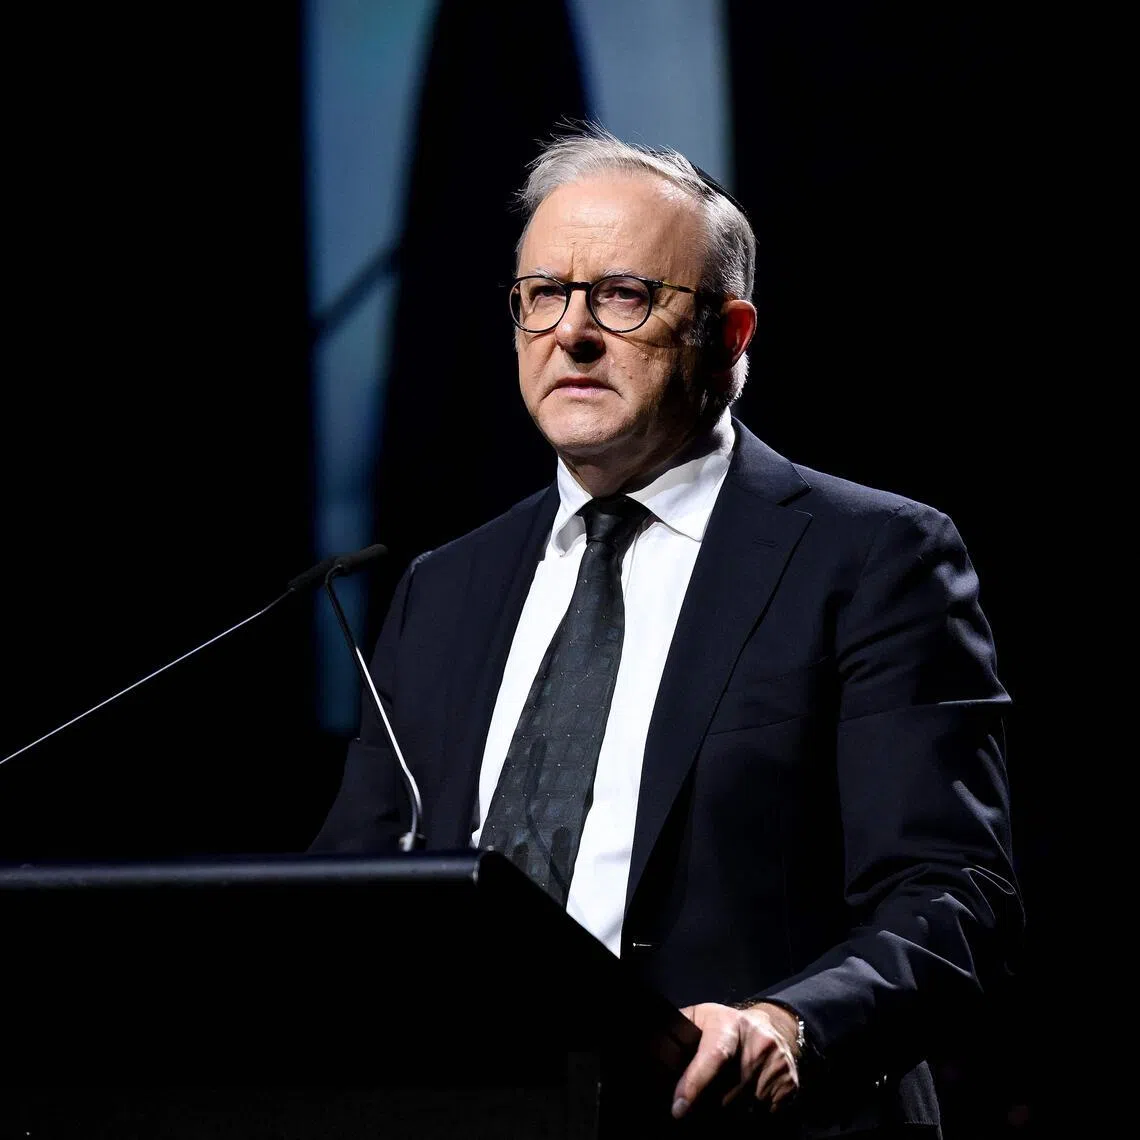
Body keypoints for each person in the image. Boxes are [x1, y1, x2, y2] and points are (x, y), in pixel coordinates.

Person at [309, 124, 1022, 1137]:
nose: (574, 333)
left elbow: (955, 896)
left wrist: (791, 1025)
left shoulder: (873, 559)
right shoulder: (445, 586)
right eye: (544, 294)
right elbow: (353, 895)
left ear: (730, 338)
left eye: (625, 295)